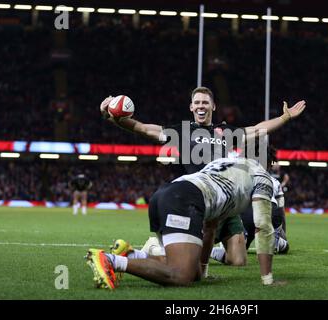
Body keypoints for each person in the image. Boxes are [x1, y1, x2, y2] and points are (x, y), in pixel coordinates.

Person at [99, 87, 306, 266]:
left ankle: (192, 254)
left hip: (225, 201)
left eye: (205, 102)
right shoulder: (181, 131)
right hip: (198, 201)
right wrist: (114, 117)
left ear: (213, 106)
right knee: (190, 260)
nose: (201, 105)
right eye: (197, 102)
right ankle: (154, 248)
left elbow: (258, 130)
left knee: (238, 260)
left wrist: (285, 117)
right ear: (191, 107)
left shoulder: (226, 132)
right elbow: (142, 128)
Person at [85, 157, 278, 288]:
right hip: (184, 200)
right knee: (181, 275)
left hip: (167, 193)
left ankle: (133, 255)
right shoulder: (262, 177)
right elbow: (262, 226)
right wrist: (267, 278)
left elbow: (210, 227)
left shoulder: (226, 164)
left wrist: (201, 271)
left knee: (191, 273)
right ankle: (110, 260)